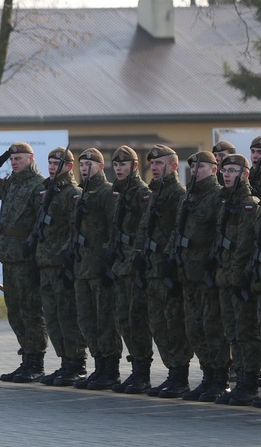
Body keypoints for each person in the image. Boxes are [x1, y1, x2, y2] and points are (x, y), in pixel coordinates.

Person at [0, 142, 48, 383]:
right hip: (9, 256)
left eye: (19, 158)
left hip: (27, 258)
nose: (14, 161)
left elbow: (42, 225)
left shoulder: (38, 185)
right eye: (12, 158)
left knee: (31, 310)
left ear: (30, 158)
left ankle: (36, 362)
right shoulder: (10, 184)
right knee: (15, 311)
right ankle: (26, 357)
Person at [135, 144, 192, 399]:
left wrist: (172, 265)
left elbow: (179, 232)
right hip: (152, 270)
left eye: (160, 164)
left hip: (168, 272)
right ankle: (172, 373)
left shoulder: (178, 194)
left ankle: (179, 376)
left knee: (174, 325)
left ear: (173, 165)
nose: (155, 168)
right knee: (158, 324)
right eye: (153, 164)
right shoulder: (155, 193)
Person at [171, 151, 227, 402]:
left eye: (201, 167)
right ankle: (206, 376)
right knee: (195, 328)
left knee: (212, 328)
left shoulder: (217, 196)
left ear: (214, 170)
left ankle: (219, 379)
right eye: (193, 167)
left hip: (207, 275)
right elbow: (177, 231)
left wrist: (212, 266)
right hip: (187, 274)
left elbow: (220, 234)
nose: (195, 171)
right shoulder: (188, 197)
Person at [30, 147, 87, 387]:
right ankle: (65, 361)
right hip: (45, 263)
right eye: (50, 163)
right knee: (52, 317)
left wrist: (67, 259)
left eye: (58, 163)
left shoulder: (73, 193)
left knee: (67, 316)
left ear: (69, 166)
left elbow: (75, 230)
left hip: (61, 265)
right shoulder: (48, 191)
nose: (52, 167)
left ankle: (76, 363)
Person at [69, 148, 120, 391]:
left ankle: (110, 369)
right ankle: (99, 366)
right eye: (82, 164)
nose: (85, 168)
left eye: (90, 164)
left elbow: (114, 230)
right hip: (82, 267)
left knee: (105, 321)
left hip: (100, 268)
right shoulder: (83, 193)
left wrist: (109, 265)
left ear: (100, 167)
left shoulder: (106, 192)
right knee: (87, 320)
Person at [212, 154, 260, 406]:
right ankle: (240, 380)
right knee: (232, 332)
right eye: (225, 170)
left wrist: (239, 276)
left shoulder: (248, 204)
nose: (227, 174)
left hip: (238, 279)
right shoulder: (225, 203)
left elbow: (243, 246)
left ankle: (249, 383)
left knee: (245, 332)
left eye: (232, 170)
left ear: (245, 174)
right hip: (224, 278)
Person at [106, 146, 153, 394]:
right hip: (119, 264)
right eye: (115, 165)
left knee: (136, 321)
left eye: (123, 165)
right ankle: (135, 370)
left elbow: (146, 230)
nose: (119, 169)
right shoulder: (115, 190)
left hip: (134, 265)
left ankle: (142, 373)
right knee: (123, 319)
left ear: (134, 166)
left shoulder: (141, 193)